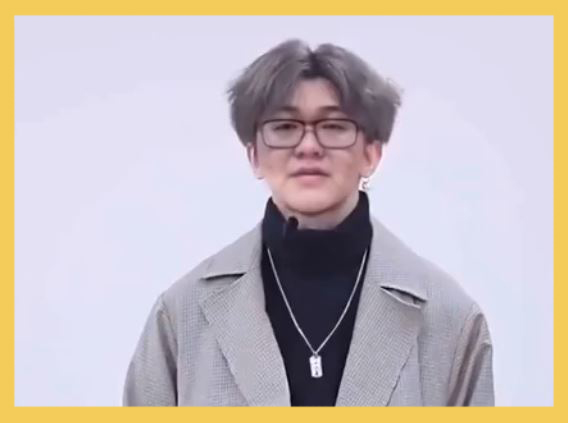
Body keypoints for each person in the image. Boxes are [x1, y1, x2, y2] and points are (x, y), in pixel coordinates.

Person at [122, 39, 494, 406]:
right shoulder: (182, 315)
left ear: (372, 153)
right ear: (254, 155)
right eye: (284, 127)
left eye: (334, 126)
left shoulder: (451, 319)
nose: (308, 146)